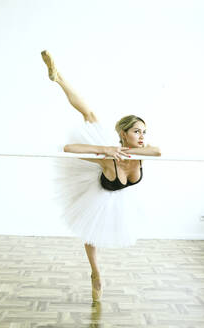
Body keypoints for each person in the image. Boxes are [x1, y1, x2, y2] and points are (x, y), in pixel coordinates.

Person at [41, 50, 161, 301]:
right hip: (103, 181)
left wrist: (127, 149)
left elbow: (158, 151)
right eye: (137, 131)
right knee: (91, 116)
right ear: (124, 133)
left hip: (120, 187)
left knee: (92, 116)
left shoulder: (142, 152)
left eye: (144, 132)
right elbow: (68, 149)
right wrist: (105, 149)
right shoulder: (108, 158)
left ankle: (59, 77)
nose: (142, 136)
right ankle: (95, 274)